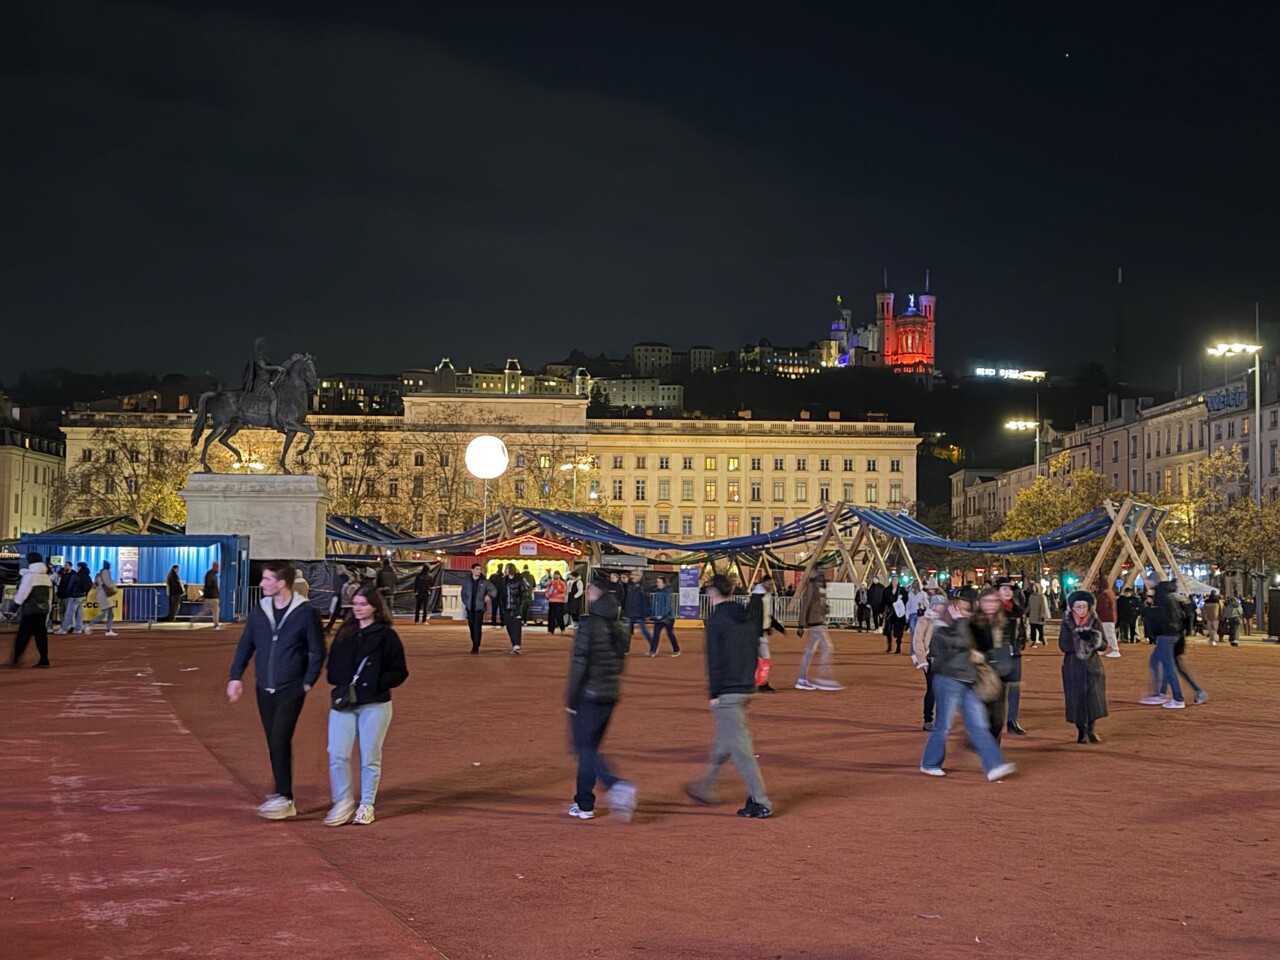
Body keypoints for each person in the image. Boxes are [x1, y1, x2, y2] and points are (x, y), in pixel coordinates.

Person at [226, 562, 326, 820]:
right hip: (264, 687)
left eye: (267, 579)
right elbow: (245, 645)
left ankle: (284, 797)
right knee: (273, 741)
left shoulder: (305, 613)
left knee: (280, 738)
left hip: (291, 688)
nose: (262, 584)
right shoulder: (260, 611)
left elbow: (317, 650)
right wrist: (235, 677)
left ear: (281, 583)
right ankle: (283, 796)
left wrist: (306, 682)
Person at [683, 574, 773, 817]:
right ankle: (705, 786)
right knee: (724, 743)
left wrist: (714, 692)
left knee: (741, 750)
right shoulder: (744, 615)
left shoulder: (715, 620)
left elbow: (714, 659)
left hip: (728, 691)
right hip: (746, 687)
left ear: (713, 593)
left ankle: (761, 801)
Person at [324, 584, 408, 827]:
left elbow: (400, 671)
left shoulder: (386, 636)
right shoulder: (344, 634)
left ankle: (366, 804)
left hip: (375, 703)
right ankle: (343, 800)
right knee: (337, 753)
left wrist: (375, 683)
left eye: (363, 604)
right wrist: (342, 682)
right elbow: (332, 668)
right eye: (356, 604)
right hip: (345, 701)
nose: (358, 609)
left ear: (375, 607)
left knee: (370, 755)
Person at [919, 595, 1016, 781]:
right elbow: (959, 644)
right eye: (961, 609)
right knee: (943, 726)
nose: (966, 614)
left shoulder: (965, 628)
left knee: (979, 725)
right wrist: (960, 622)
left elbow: (974, 642)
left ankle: (995, 765)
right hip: (948, 681)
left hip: (968, 682)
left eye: (966, 610)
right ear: (952, 611)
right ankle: (930, 763)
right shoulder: (941, 631)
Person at [564, 574, 635, 821]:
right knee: (588, 749)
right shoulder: (619, 624)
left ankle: (615, 784)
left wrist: (571, 699)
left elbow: (579, 664)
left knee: (582, 747)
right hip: (609, 693)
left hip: (589, 695)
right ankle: (584, 803)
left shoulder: (590, 624)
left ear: (596, 592)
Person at [1059, 590, 1108, 743]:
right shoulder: (1067, 621)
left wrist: (1092, 639)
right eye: (1077, 607)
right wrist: (1078, 640)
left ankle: (1092, 729)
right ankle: (1081, 731)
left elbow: (1104, 645)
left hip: (1093, 666)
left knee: (1094, 698)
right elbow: (1063, 645)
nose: (1080, 610)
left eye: (1083, 607)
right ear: (1072, 608)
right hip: (1073, 666)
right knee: (1076, 699)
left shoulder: (1095, 620)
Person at [970, 587, 1018, 740]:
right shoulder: (973, 623)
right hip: (980, 675)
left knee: (998, 720)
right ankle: (989, 753)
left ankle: (991, 748)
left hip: (999, 675)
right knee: (983, 717)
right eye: (986, 601)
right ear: (980, 603)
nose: (990, 605)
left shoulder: (1003, 622)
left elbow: (1009, 647)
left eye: (994, 601)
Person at [1139, 580, 1188, 709]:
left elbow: (1160, 615)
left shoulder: (1161, 596)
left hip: (1166, 634)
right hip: (1170, 633)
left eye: (1147, 579)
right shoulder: (1167, 595)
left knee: (1167, 665)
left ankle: (1178, 698)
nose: (1146, 582)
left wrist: (1148, 608)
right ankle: (1160, 693)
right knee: (1156, 661)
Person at [795, 567, 841, 690]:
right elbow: (806, 603)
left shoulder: (821, 585)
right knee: (827, 646)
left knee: (809, 651)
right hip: (816, 621)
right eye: (821, 570)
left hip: (819, 620)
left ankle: (802, 678)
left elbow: (819, 603)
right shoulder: (812, 585)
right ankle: (823, 677)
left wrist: (825, 608)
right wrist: (801, 624)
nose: (824, 572)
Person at [911, 592, 949, 730]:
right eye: (939, 604)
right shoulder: (924, 620)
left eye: (943, 605)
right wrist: (922, 660)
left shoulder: (948, 620)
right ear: (933, 605)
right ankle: (928, 719)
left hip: (945, 659)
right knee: (932, 690)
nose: (941, 607)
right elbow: (917, 641)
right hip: (931, 659)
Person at [9, 552, 53, 668]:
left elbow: (23, 593)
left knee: (23, 635)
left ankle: (15, 659)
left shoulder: (30, 576)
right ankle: (44, 659)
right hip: (43, 610)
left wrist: (14, 607)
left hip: (30, 610)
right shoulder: (45, 576)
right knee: (41, 635)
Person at [745, 576, 782, 690]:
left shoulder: (765, 596)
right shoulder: (758, 597)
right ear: (763, 583)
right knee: (764, 658)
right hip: (758, 633)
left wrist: (777, 626)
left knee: (759, 659)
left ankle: (757, 682)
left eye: (772, 584)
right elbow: (754, 616)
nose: (771, 586)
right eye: (769, 584)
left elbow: (766, 614)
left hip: (761, 632)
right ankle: (762, 683)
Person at [460, 563, 496, 653]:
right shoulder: (467, 581)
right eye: (477, 569)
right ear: (472, 570)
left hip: (479, 608)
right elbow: (463, 593)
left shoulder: (484, 582)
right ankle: (475, 642)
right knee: (471, 627)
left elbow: (494, 590)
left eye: (480, 569)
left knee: (477, 626)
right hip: (470, 608)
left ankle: (476, 646)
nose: (479, 571)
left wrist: (489, 596)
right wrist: (466, 603)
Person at [646, 574, 681, 657]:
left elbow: (668, 606)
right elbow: (654, 605)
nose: (657, 583)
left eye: (659, 582)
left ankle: (676, 649)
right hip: (659, 618)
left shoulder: (668, 592)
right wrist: (652, 614)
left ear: (664, 583)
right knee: (656, 634)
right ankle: (652, 651)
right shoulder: (657, 592)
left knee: (670, 634)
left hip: (668, 618)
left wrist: (662, 615)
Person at [500, 563, 528, 654]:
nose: (506, 570)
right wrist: (502, 607)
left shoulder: (520, 580)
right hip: (507, 608)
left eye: (507, 568)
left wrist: (522, 608)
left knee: (516, 627)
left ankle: (517, 645)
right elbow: (501, 595)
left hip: (517, 608)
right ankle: (514, 645)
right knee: (509, 627)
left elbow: (524, 594)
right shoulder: (504, 581)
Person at [84, 561, 119, 636]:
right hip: (105, 595)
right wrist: (114, 586)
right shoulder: (106, 572)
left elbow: (96, 583)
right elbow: (108, 583)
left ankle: (108, 630)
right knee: (105, 614)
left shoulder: (98, 574)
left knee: (109, 614)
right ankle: (89, 624)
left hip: (101, 594)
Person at [58, 562, 92, 635]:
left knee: (69, 613)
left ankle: (64, 629)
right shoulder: (87, 576)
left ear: (79, 567)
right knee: (79, 613)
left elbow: (70, 586)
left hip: (74, 596)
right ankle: (78, 629)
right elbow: (90, 586)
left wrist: (69, 593)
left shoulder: (76, 576)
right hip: (82, 596)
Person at [621, 570, 650, 652]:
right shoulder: (630, 585)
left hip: (639, 613)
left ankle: (653, 646)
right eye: (632, 574)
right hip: (630, 612)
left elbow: (645, 601)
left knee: (644, 631)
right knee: (627, 632)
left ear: (639, 576)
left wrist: (646, 614)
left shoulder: (643, 586)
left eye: (634, 575)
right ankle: (626, 649)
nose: (632, 576)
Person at [1094, 578, 1120, 658]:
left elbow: (1102, 607)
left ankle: (1115, 650)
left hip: (1106, 618)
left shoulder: (1104, 595)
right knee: (1107, 634)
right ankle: (1103, 649)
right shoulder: (1109, 593)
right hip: (1109, 617)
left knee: (1109, 634)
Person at [201, 561, 223, 629]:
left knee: (206, 611)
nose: (218, 569)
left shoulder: (210, 574)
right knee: (216, 610)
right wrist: (215, 589)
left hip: (209, 596)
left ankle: (193, 620)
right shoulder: (211, 575)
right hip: (212, 596)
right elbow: (209, 585)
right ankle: (216, 625)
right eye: (217, 567)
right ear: (215, 567)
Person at [1026, 583, 1047, 647]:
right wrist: (1026, 611)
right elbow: (1029, 606)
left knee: (1040, 629)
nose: (1034, 589)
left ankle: (1041, 638)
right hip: (1032, 615)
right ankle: (1033, 640)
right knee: (1033, 629)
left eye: (1035, 588)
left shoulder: (1041, 597)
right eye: (1033, 587)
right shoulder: (1031, 596)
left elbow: (1043, 607)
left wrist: (1042, 615)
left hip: (1039, 615)